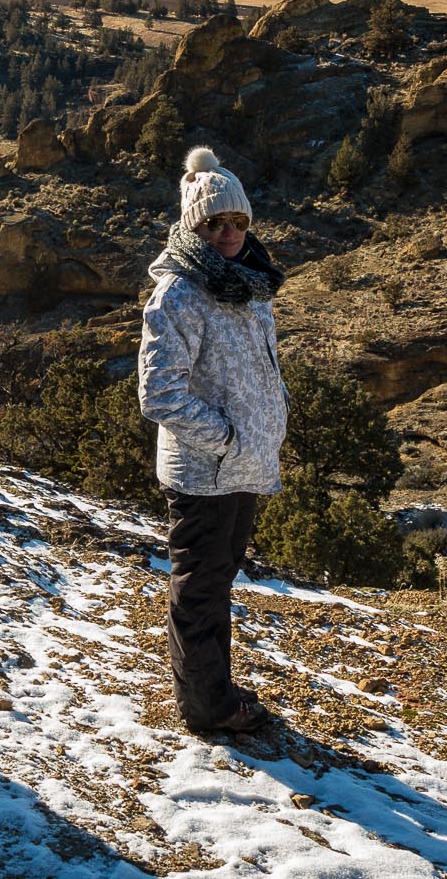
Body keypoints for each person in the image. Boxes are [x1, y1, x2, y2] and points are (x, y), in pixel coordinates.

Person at [137, 147, 289, 734]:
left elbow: (261, 368)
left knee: (218, 581)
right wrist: (224, 441)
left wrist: (270, 422)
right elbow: (160, 395)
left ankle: (212, 688)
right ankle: (208, 709)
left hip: (244, 463)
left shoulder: (249, 282)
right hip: (206, 471)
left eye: (238, 222)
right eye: (214, 223)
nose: (228, 232)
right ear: (192, 225)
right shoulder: (178, 293)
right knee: (200, 590)